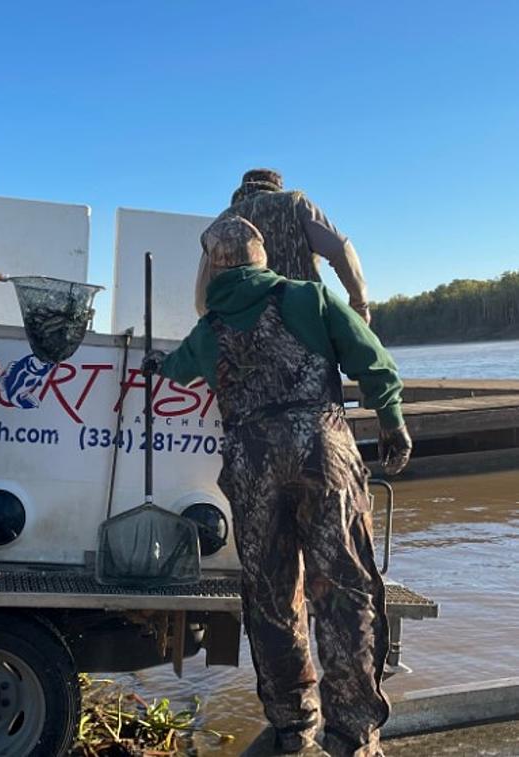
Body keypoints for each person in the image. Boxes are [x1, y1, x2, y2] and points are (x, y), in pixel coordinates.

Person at [144, 216, 412, 757]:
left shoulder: (211, 327)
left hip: (253, 464)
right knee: (345, 594)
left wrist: (155, 365)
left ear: (213, 266)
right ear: (261, 255)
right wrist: (392, 419)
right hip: (324, 454)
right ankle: (354, 734)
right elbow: (372, 358)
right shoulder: (309, 298)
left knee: (271, 597)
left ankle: (295, 727)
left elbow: (176, 370)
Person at [195, 168, 372, 324]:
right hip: (305, 328)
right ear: (276, 187)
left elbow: (201, 299)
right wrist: (359, 306)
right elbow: (340, 249)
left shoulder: (222, 223)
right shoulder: (295, 204)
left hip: (245, 341)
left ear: (242, 190)